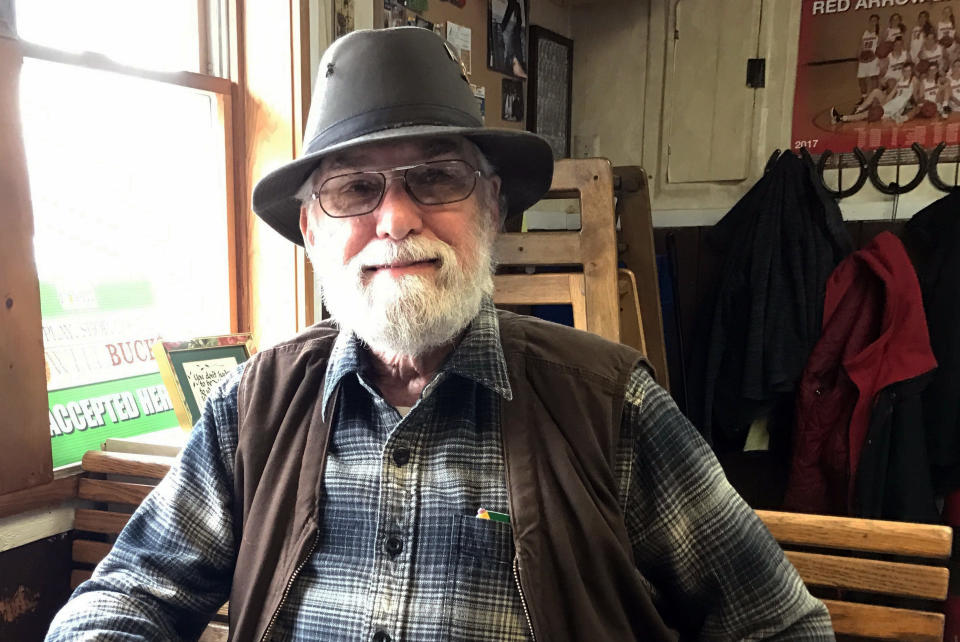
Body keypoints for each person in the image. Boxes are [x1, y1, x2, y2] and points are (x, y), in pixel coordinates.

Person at [45, 27, 834, 641]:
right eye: (353, 189)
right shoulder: (254, 404)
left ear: (491, 208)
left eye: (436, 178)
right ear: (313, 232)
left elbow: (777, 624)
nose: (395, 218)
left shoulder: (610, 406)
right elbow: (132, 591)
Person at [834, 62, 917, 125]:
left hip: (898, 106)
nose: (907, 73)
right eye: (905, 71)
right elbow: (892, 94)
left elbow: (916, 95)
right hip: (892, 101)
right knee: (876, 91)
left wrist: (914, 106)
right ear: (902, 71)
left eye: (909, 71)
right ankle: (858, 109)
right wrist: (884, 103)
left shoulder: (914, 80)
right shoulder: (901, 79)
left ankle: (843, 118)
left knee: (868, 114)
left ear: (912, 71)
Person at [857, 14, 882, 98]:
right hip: (864, 58)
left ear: (878, 22)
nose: (873, 22)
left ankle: (873, 96)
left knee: (874, 77)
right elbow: (861, 45)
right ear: (869, 21)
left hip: (874, 58)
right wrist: (859, 56)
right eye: (872, 20)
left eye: (875, 20)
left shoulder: (879, 33)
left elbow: (881, 47)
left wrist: (877, 57)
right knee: (861, 78)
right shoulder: (865, 32)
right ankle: (864, 97)